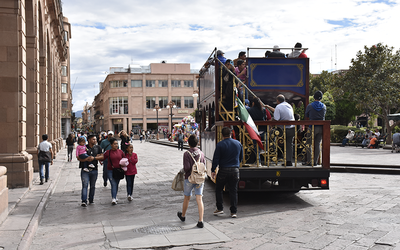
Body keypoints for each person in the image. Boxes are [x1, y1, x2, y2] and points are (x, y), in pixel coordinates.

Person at [211, 127, 243, 218]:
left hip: (223, 170)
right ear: (231, 134)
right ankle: (233, 212)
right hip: (235, 170)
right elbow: (241, 157)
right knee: (233, 191)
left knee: (219, 189)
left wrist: (213, 170)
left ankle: (220, 208)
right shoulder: (238, 143)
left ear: (222, 135)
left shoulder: (220, 145)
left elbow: (216, 159)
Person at [177, 135, 206, 228]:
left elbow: (187, 168)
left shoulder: (186, 153)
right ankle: (200, 220)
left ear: (188, 143)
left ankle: (183, 215)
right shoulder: (201, 153)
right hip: (199, 179)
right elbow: (204, 165)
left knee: (187, 197)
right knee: (199, 198)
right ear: (197, 143)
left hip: (189, 178)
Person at [77, 134, 103, 207]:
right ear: (89, 140)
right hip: (85, 169)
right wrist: (86, 159)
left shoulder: (98, 147)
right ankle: (84, 200)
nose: (95, 141)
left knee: (92, 186)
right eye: (93, 139)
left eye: (95, 139)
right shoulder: (84, 147)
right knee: (85, 185)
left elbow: (102, 156)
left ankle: (91, 199)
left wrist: (94, 158)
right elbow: (78, 157)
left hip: (94, 169)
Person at [305, 91, 326, 165]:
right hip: (321, 127)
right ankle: (315, 161)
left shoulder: (310, 106)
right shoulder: (324, 106)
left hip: (312, 127)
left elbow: (306, 115)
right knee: (317, 144)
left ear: (314, 97)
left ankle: (309, 161)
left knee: (308, 144)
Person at [273, 94, 295, 166]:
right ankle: (289, 161)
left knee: (272, 137)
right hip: (292, 128)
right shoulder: (289, 105)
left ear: (278, 101)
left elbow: (276, 119)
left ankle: (272, 156)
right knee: (289, 145)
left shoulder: (278, 106)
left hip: (283, 129)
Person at [103, 138, 125, 205]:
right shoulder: (108, 152)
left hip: (118, 170)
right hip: (110, 170)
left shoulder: (120, 152)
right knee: (113, 184)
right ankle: (113, 198)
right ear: (111, 145)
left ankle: (115, 196)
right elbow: (103, 158)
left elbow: (124, 159)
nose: (116, 145)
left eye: (117, 144)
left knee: (116, 184)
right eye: (114, 144)